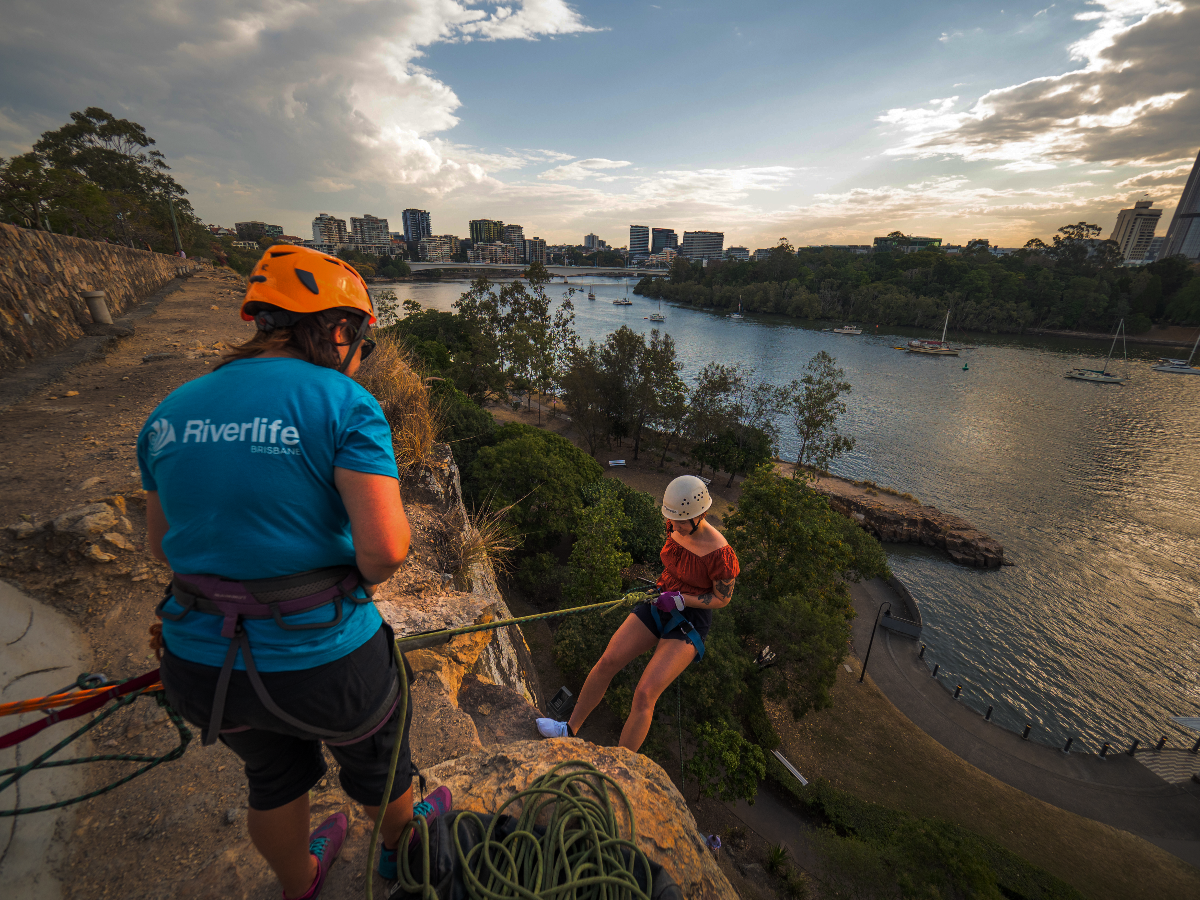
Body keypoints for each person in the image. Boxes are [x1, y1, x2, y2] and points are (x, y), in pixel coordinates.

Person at [137, 246, 448, 900]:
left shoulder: (169, 412)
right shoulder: (342, 402)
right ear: (336, 330)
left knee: (272, 777)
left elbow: (160, 547)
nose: (359, 351)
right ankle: (398, 850)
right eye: (358, 334)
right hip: (323, 661)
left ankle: (298, 881)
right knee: (380, 763)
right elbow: (386, 550)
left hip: (201, 663)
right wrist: (344, 584)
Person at [536, 475, 739, 751]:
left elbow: (721, 598)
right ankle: (568, 729)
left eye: (682, 521)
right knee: (607, 661)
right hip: (660, 598)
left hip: (689, 618)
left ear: (701, 514)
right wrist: (669, 594)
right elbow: (675, 565)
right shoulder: (674, 524)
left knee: (645, 694)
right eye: (673, 519)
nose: (675, 526)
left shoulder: (720, 552)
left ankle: (621, 767)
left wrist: (681, 600)